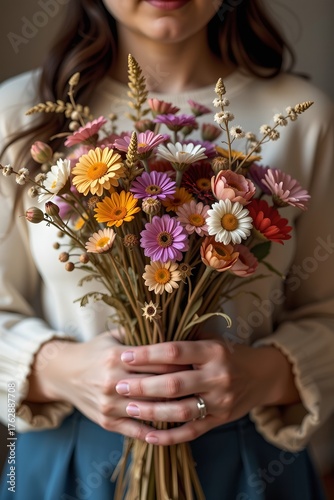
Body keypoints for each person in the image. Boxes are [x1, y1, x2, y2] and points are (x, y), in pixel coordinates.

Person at [0, 0, 333, 498]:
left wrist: (257, 378)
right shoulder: (17, 115)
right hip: (66, 460)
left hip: (248, 465)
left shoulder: (304, 118)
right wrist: (66, 373)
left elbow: (326, 314)